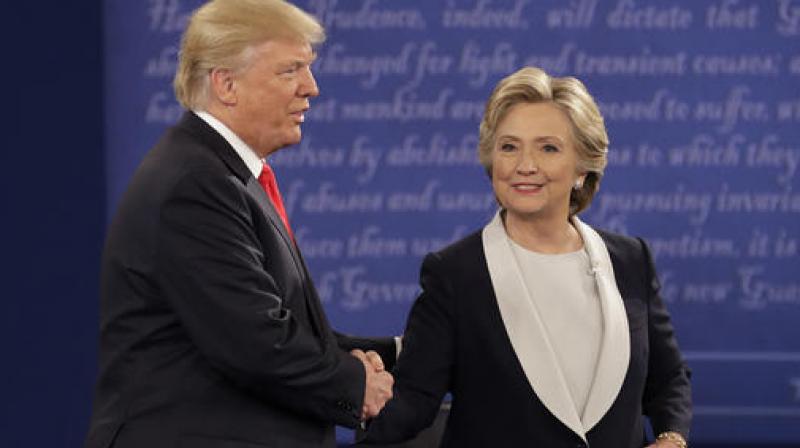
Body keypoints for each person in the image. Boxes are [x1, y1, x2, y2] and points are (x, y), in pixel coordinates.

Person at [85, 1, 395, 447]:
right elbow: (256, 343)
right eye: (290, 71)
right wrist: (357, 384)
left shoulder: (219, 173)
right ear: (226, 84)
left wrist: (398, 355)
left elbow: (282, 327)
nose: (311, 87)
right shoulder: (193, 186)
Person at [362, 67, 692, 448]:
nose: (525, 165)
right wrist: (356, 394)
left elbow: (669, 379)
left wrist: (671, 438)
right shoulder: (455, 273)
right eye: (509, 147)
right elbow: (415, 400)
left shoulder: (631, 260)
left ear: (583, 168)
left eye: (548, 147)